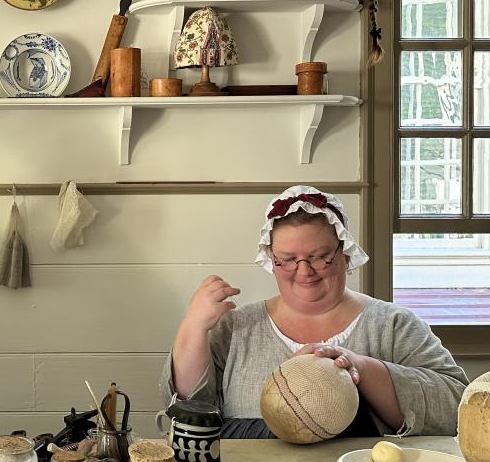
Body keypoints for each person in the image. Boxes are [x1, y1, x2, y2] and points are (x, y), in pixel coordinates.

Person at [164, 185, 467, 437]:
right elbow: (190, 415)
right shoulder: (235, 329)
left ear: (345, 253)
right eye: (288, 259)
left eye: (320, 257)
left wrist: (362, 368)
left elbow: (455, 406)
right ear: (272, 260)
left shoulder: (392, 325)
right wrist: (192, 327)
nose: (304, 271)